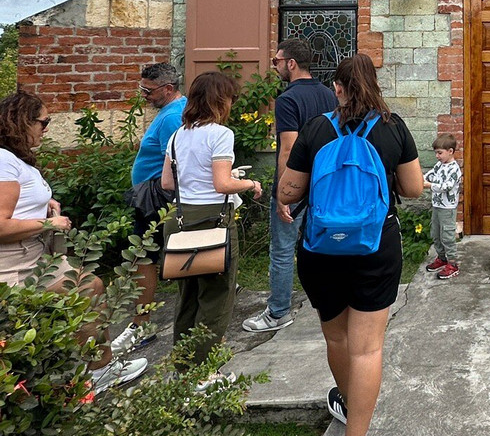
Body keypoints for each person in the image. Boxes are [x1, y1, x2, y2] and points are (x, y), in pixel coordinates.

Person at [278, 54, 423, 436]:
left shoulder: (315, 129)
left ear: (337, 89)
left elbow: (288, 191)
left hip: (321, 249)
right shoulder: (394, 128)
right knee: (368, 348)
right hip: (375, 245)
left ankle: (347, 398)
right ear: (375, 85)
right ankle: (357, 429)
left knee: (338, 337)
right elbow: (413, 188)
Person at [0, 91, 148, 390]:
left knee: (88, 287)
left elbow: (19, 200)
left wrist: (47, 203)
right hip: (16, 263)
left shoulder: (14, 159)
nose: (47, 128)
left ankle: (94, 367)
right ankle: (89, 374)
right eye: (44, 121)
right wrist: (48, 222)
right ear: (22, 122)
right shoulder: (4, 160)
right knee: (82, 291)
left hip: (35, 255)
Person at [160, 71, 263, 378]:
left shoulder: (178, 135)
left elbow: (167, 181)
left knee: (187, 296)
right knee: (216, 298)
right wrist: (249, 184)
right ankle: (204, 374)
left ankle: (183, 367)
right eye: (230, 98)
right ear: (221, 100)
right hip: (213, 222)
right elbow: (221, 184)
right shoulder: (220, 134)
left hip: (180, 221)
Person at [243, 38, 336, 333]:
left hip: (297, 182)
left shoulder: (288, 99)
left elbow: (287, 148)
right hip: (326, 182)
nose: (275, 67)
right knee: (325, 245)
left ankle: (279, 311)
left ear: (291, 63)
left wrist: (283, 194)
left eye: (276, 61)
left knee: (283, 249)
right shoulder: (329, 95)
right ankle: (329, 303)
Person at [111, 63, 187, 354]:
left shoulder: (171, 118)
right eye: (141, 88)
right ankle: (141, 324)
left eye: (148, 90)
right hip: (153, 193)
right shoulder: (172, 111)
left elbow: (180, 160)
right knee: (147, 256)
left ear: (168, 89)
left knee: (144, 256)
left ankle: (140, 326)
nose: (143, 95)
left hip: (156, 197)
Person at [423, 133, 462, 280]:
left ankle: (452, 264)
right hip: (437, 205)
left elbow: (446, 186)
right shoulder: (439, 165)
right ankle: (441, 258)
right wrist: (421, 179)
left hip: (448, 208)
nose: (437, 156)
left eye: (440, 153)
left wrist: (429, 185)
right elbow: (430, 175)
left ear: (450, 151)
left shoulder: (454, 169)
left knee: (447, 236)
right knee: (436, 233)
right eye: (436, 153)